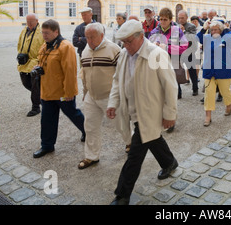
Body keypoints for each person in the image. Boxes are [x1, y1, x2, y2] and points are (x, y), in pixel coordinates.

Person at [107, 20, 178, 205]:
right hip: (132, 110)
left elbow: (170, 87)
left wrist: (170, 114)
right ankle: (169, 162)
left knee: (135, 155)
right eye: (123, 42)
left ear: (141, 36)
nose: (126, 45)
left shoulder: (157, 55)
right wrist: (113, 103)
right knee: (152, 138)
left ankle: (122, 195)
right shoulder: (123, 54)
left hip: (149, 112)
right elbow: (117, 81)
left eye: (129, 41)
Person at [78, 23, 132, 169]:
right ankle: (91, 156)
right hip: (91, 96)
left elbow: (123, 75)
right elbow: (84, 74)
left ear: (101, 35)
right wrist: (85, 92)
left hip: (110, 96)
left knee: (120, 124)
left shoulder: (114, 49)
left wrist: (122, 96)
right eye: (87, 37)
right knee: (90, 127)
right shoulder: (85, 50)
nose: (89, 40)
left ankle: (130, 142)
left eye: (92, 37)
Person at [33, 20, 85, 158]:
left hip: (62, 92)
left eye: (47, 33)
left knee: (73, 114)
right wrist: (37, 68)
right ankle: (47, 146)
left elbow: (70, 71)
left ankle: (87, 131)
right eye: (43, 32)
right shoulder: (45, 46)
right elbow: (42, 62)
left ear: (56, 32)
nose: (44, 35)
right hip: (47, 91)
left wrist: (69, 92)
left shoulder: (65, 46)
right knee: (47, 120)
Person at [197, 18, 231, 126]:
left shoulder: (226, 37)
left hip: (223, 70)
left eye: (216, 29)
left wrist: (226, 29)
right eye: (212, 29)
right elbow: (198, 38)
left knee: (225, 92)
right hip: (209, 70)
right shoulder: (207, 38)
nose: (213, 31)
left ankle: (228, 105)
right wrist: (204, 29)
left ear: (221, 30)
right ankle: (208, 116)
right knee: (209, 94)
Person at [149, 8, 188, 102]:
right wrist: (153, 46)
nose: (162, 21)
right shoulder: (154, 31)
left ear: (170, 20)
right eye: (161, 19)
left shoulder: (177, 30)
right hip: (159, 63)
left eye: (165, 19)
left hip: (173, 61)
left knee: (174, 88)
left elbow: (184, 46)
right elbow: (148, 46)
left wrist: (168, 48)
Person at [17, 13, 44, 117]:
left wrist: (40, 61)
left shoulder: (41, 31)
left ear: (37, 21)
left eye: (31, 22)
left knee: (35, 85)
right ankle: (42, 98)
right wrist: (20, 54)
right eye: (27, 22)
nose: (29, 24)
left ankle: (35, 107)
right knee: (25, 83)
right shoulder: (24, 30)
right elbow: (19, 43)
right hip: (23, 61)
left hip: (35, 62)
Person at [177, 10, 199, 96]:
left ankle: (195, 88)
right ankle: (178, 92)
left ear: (186, 18)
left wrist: (182, 32)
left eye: (182, 18)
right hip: (178, 52)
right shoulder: (176, 26)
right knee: (177, 71)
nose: (181, 20)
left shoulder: (191, 26)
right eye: (179, 18)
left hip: (189, 51)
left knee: (192, 70)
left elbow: (191, 39)